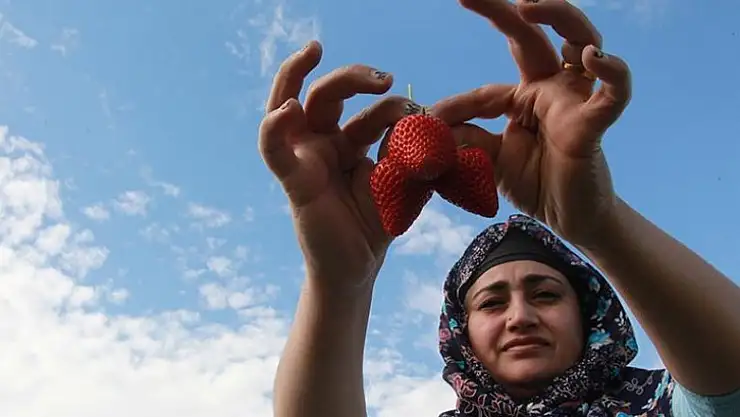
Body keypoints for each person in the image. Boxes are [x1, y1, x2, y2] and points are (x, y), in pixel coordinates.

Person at [257, 0, 740, 416]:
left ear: (588, 314)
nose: (520, 317)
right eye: (490, 302)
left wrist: (600, 224)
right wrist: (339, 282)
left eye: (546, 295)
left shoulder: (657, 405)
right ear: (460, 331)